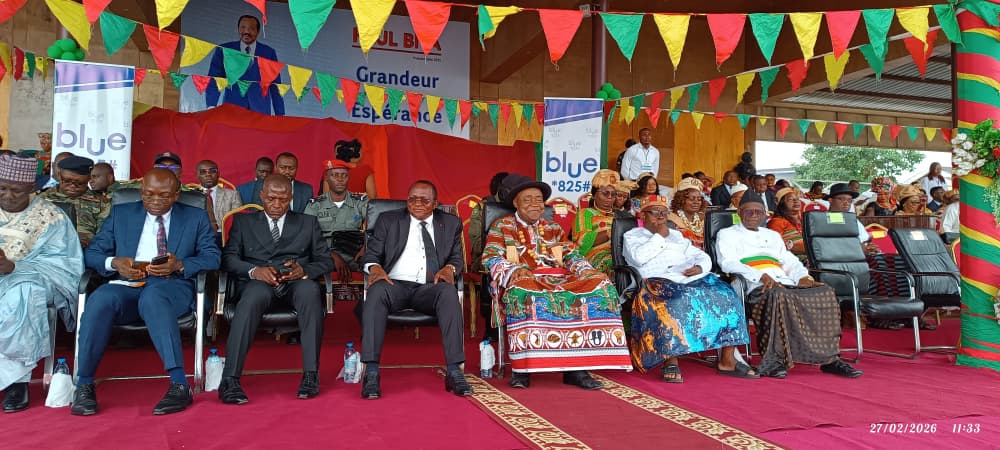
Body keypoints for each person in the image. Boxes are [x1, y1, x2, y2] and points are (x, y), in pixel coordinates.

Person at [74, 168, 220, 416]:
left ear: (176, 195)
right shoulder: (122, 214)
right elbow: (93, 253)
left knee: (154, 298)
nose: (154, 200)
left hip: (172, 286)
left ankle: (178, 385)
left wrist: (180, 264)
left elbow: (213, 257)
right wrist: (115, 263)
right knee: (99, 300)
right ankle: (84, 384)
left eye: (163, 195)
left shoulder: (195, 216)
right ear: (140, 192)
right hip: (128, 284)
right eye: (148, 194)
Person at [482, 174, 631, 390]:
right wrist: (512, 270)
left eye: (539, 199)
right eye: (528, 199)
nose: (535, 204)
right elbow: (491, 256)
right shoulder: (502, 226)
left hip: (561, 278)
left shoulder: (552, 228)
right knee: (525, 292)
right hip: (525, 279)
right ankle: (522, 370)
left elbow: (570, 254)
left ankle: (576, 369)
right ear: (515, 203)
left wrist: (586, 270)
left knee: (600, 285)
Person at [716, 199, 863, 379]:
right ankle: (773, 361)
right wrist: (759, 275)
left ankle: (829, 359)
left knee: (825, 292)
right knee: (778, 295)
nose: (754, 215)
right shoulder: (727, 233)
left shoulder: (772, 235)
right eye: (748, 211)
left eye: (758, 212)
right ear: (739, 212)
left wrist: (802, 277)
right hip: (753, 283)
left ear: (765, 215)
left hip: (784, 280)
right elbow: (727, 262)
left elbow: (789, 260)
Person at [218, 175, 333, 404]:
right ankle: (230, 379)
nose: (277, 205)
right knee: (251, 298)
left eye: (283, 199)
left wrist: (305, 270)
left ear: (291, 198)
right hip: (259, 282)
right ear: (261, 196)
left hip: (295, 283)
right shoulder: (244, 222)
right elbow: (228, 259)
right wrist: (254, 270)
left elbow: (326, 260)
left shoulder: (307, 223)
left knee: (310, 292)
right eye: (271, 198)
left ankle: (311, 374)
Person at [624, 196, 756, 382]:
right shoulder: (632, 236)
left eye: (664, 213)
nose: (661, 217)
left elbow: (700, 255)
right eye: (655, 213)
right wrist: (660, 236)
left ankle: (727, 360)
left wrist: (700, 267)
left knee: (726, 294)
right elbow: (639, 258)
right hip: (656, 280)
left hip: (687, 277)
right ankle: (671, 359)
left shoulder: (676, 236)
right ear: (643, 215)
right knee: (675, 301)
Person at [358, 180, 470, 399]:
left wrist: (450, 269)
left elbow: (457, 257)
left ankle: (455, 370)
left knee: (448, 292)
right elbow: (371, 255)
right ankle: (371, 371)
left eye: (424, 200)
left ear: (435, 203)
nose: (417, 203)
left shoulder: (450, 223)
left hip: (429, 288)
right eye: (412, 199)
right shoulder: (388, 220)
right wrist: (375, 268)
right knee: (376, 292)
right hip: (394, 284)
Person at [0, 154, 84, 413]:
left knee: (23, 293)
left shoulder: (50, 217)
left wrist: (14, 267)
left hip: (31, 279)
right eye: (2, 188)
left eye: (17, 190)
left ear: (32, 189)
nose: (9, 195)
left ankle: (16, 380)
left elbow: (65, 265)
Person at [206, 15, 284, 116]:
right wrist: (211, 106)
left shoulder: (269, 53)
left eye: (251, 28)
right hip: (232, 110)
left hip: (260, 111)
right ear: (238, 29)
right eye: (243, 27)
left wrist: (280, 113)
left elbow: (275, 85)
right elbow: (214, 80)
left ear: (258, 32)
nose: (246, 31)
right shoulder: (224, 50)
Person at [303, 160, 368, 283]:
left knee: (375, 265)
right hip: (324, 254)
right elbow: (307, 237)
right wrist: (332, 255)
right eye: (335, 175)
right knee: (310, 269)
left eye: (344, 175)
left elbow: (375, 227)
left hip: (354, 253)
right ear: (326, 178)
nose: (340, 179)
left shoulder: (360, 202)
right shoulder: (315, 205)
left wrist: (366, 247)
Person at [469, 172, 508, 341]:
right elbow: (476, 240)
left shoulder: (520, 205)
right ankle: (491, 326)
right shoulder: (483, 207)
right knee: (491, 268)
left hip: (517, 257)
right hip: (487, 255)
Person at [40, 156, 111, 247]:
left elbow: (104, 236)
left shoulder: (102, 203)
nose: (72, 186)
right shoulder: (42, 199)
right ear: (59, 175)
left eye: (79, 183)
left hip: (85, 251)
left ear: (88, 179)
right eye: (67, 181)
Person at [574, 170, 631, 275]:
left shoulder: (622, 215)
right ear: (594, 195)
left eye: (613, 194)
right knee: (615, 265)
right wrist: (609, 233)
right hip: (596, 255)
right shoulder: (585, 213)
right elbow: (580, 241)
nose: (609, 197)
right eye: (605, 193)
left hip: (622, 253)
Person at [826, 183, 879, 255]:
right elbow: (833, 246)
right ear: (830, 200)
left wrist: (869, 248)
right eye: (841, 199)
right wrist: (859, 249)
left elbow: (865, 238)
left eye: (849, 200)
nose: (846, 203)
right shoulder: (825, 219)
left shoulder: (852, 219)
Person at [196, 160, 243, 239]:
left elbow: (238, 222)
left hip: (225, 237)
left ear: (218, 174)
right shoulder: (191, 196)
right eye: (203, 172)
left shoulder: (232, 195)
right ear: (198, 175)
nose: (208, 175)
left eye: (212, 171)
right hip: (198, 238)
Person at [767, 187, 807, 263]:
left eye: (797, 199)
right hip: (795, 263)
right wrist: (807, 250)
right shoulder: (777, 221)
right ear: (782, 204)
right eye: (790, 200)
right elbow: (775, 245)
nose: (796, 201)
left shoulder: (804, 220)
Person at [667, 177, 707, 249]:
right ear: (681, 200)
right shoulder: (671, 219)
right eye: (692, 199)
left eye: (699, 199)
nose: (696, 202)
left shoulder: (704, 218)